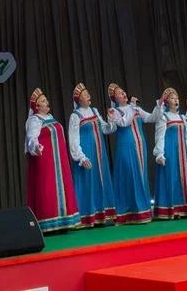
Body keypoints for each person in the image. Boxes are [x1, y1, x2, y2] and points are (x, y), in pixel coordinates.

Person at [25, 87, 81, 232]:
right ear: (37, 107)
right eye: (43, 101)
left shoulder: (51, 117)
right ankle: (48, 222)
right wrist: (36, 147)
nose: (47, 102)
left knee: (61, 187)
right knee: (48, 188)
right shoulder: (34, 120)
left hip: (59, 163)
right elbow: (31, 138)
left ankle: (64, 220)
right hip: (45, 162)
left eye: (46, 100)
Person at [67, 83, 118, 227]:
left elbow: (106, 129)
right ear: (79, 100)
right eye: (85, 95)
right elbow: (73, 139)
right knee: (87, 182)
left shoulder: (94, 111)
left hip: (100, 154)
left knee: (100, 180)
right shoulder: (75, 116)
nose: (88, 96)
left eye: (88, 93)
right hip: (87, 153)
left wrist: (111, 119)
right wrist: (81, 157)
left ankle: (101, 215)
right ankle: (86, 217)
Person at [106, 82, 157, 224]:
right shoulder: (114, 111)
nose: (123, 93)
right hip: (126, 147)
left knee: (141, 175)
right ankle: (128, 212)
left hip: (140, 146)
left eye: (123, 91)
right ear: (115, 99)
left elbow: (150, 118)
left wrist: (159, 106)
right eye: (119, 93)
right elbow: (124, 123)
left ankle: (143, 211)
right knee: (129, 176)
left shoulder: (135, 108)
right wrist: (132, 107)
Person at [153, 87, 187, 219]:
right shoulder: (164, 117)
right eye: (172, 98)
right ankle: (171, 210)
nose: (176, 100)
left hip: (182, 153)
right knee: (172, 178)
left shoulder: (183, 118)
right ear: (167, 102)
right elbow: (160, 136)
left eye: (177, 98)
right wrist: (159, 154)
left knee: (183, 179)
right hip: (170, 153)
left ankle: (185, 208)